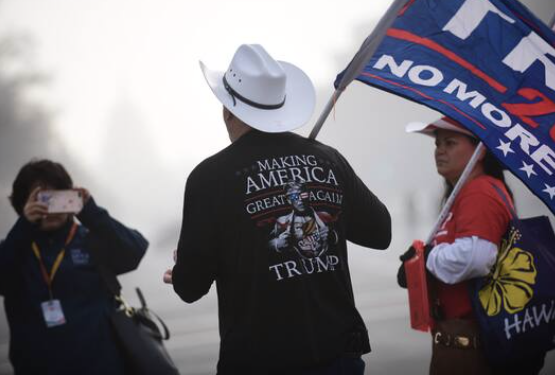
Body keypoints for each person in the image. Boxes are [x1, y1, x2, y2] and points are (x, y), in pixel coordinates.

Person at [162, 44, 391, 375]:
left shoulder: (210, 177)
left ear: (227, 110)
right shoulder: (328, 159)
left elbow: (190, 287)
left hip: (259, 360)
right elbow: (380, 232)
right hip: (338, 354)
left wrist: (183, 269)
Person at [397, 117, 545, 375]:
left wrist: (426, 258)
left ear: (480, 151)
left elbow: (476, 258)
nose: (440, 150)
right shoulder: (464, 194)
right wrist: (417, 267)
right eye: (438, 144)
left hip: (473, 347)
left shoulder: (480, 191)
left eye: (450, 143)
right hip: (457, 343)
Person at [0, 159, 149, 375]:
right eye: (42, 199)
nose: (50, 209)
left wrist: (91, 212)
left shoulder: (89, 240)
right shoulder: (15, 248)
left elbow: (135, 250)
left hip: (101, 365)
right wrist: (24, 226)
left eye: (58, 198)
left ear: (70, 198)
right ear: (24, 204)